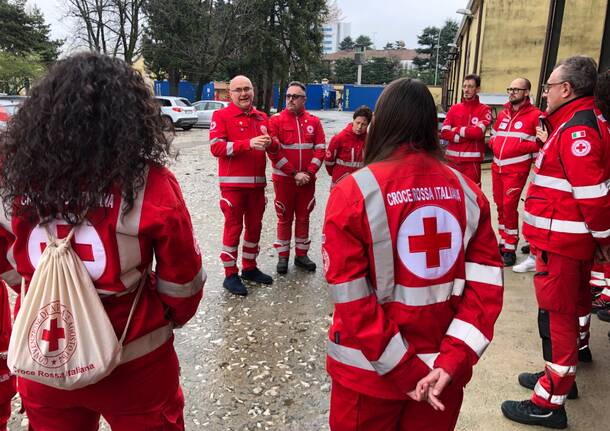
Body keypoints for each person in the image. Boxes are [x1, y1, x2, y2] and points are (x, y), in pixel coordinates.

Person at [0, 52, 204, 430]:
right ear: (127, 117)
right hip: (134, 356)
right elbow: (182, 280)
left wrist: (32, 288)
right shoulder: (148, 183)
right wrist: (168, 317)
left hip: (46, 354)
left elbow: (4, 253)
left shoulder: (14, 181)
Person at [323, 78, 503, 431]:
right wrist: (451, 363)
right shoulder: (468, 192)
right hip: (440, 379)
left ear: (383, 122)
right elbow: (485, 291)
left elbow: (352, 299)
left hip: (368, 378)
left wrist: (404, 372)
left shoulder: (354, 192)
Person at [501, 56, 610, 429]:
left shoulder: (577, 131)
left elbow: (594, 196)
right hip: (563, 242)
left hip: (562, 244)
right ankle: (561, 378)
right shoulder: (572, 123)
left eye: (548, 86)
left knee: (558, 318)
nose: (543, 92)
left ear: (566, 89)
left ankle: (549, 401)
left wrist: (604, 241)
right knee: (571, 311)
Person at [210, 75, 274, 295]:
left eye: (247, 88)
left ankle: (249, 268)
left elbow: (271, 148)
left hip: (257, 187)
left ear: (254, 91)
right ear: (231, 94)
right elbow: (216, 148)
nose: (244, 93)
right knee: (233, 229)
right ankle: (230, 274)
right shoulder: (221, 115)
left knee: (255, 228)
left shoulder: (262, 117)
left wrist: (271, 143)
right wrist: (247, 144)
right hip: (233, 187)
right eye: (238, 90)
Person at [268, 81, 326, 274]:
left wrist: (308, 173)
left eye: (295, 96)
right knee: (284, 218)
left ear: (304, 99)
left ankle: (302, 255)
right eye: (288, 96)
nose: (290, 99)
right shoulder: (275, 121)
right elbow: (274, 153)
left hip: (307, 182)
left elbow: (320, 150)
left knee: (304, 217)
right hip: (285, 181)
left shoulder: (314, 122)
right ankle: (283, 257)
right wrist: (294, 173)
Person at [489, 78, 542, 267]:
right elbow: (494, 136)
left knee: (510, 207)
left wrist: (520, 146)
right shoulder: (503, 114)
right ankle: (504, 242)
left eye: (516, 89)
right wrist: (493, 144)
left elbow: (541, 143)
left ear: (526, 92)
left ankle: (511, 247)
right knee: (500, 207)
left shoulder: (536, 115)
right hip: (497, 168)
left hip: (516, 171)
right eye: (510, 88)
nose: (511, 92)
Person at [440, 74, 493, 186]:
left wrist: (456, 129)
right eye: (464, 86)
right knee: (451, 193)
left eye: (470, 86)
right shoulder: (454, 108)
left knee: (473, 195)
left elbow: (478, 133)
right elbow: (444, 133)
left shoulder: (485, 110)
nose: (466, 90)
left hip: (471, 164)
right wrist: (465, 137)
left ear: (477, 89)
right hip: (451, 161)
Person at [325, 105, 372, 187]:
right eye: (358, 123)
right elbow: (329, 162)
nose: (359, 127)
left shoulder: (370, 141)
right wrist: (337, 174)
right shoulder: (338, 139)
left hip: (360, 184)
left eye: (363, 124)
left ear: (368, 125)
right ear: (353, 120)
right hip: (340, 184)